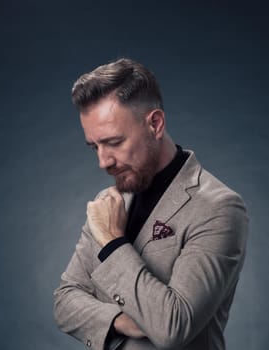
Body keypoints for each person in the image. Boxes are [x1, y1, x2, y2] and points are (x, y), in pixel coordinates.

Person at [53, 58, 248, 350]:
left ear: (155, 124)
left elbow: (173, 326)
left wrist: (112, 244)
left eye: (114, 142)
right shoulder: (111, 202)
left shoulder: (219, 208)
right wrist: (119, 319)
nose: (102, 161)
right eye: (95, 146)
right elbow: (65, 300)